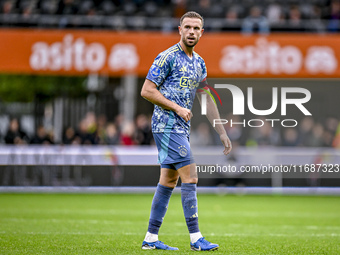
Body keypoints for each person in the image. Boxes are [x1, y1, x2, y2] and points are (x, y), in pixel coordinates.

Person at [140, 11, 232, 251]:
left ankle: (150, 238)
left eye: (196, 28)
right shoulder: (167, 57)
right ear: (179, 29)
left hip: (180, 126)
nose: (191, 32)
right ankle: (196, 238)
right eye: (187, 27)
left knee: (168, 181)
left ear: (202, 32)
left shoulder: (199, 62)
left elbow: (206, 99)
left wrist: (221, 132)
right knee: (190, 177)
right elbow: (147, 90)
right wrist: (177, 108)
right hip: (167, 125)